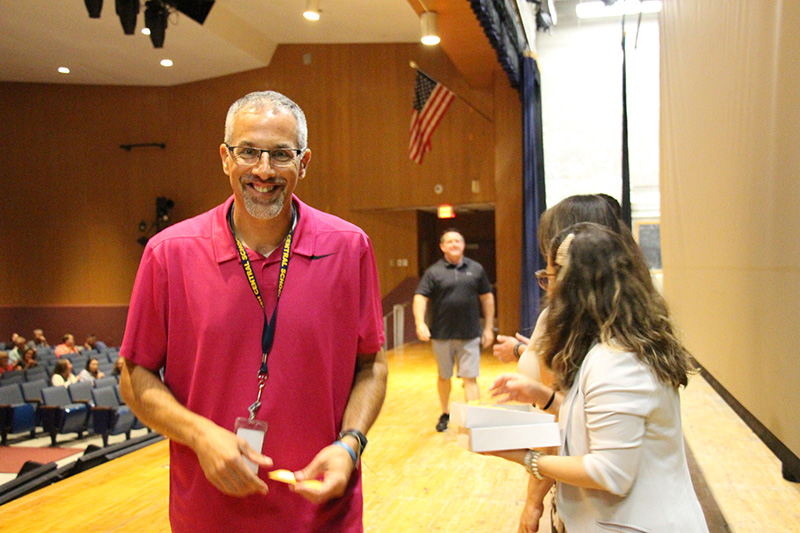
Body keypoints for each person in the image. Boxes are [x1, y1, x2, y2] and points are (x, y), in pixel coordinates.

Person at [119, 90, 388, 533]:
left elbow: (371, 365)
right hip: (208, 515)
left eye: (281, 154)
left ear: (303, 163)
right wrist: (200, 434)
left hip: (323, 513)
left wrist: (351, 443)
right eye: (248, 152)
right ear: (225, 157)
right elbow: (134, 376)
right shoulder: (169, 253)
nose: (263, 171)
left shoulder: (349, 247)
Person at [488, 223, 708, 532]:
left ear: (574, 288)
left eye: (550, 279)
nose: (548, 292)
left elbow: (610, 473)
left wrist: (525, 458)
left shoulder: (618, 362)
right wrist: (542, 396)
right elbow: (598, 420)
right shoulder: (614, 347)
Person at [413, 228, 495, 432]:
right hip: (442, 334)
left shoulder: (476, 269)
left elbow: (487, 297)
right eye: (449, 241)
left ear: (463, 244)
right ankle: (445, 413)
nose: (454, 244)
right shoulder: (433, 272)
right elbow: (420, 297)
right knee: (444, 376)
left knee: (470, 377)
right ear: (442, 246)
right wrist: (419, 323)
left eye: (457, 240)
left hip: (470, 334)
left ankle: (473, 417)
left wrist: (488, 328)